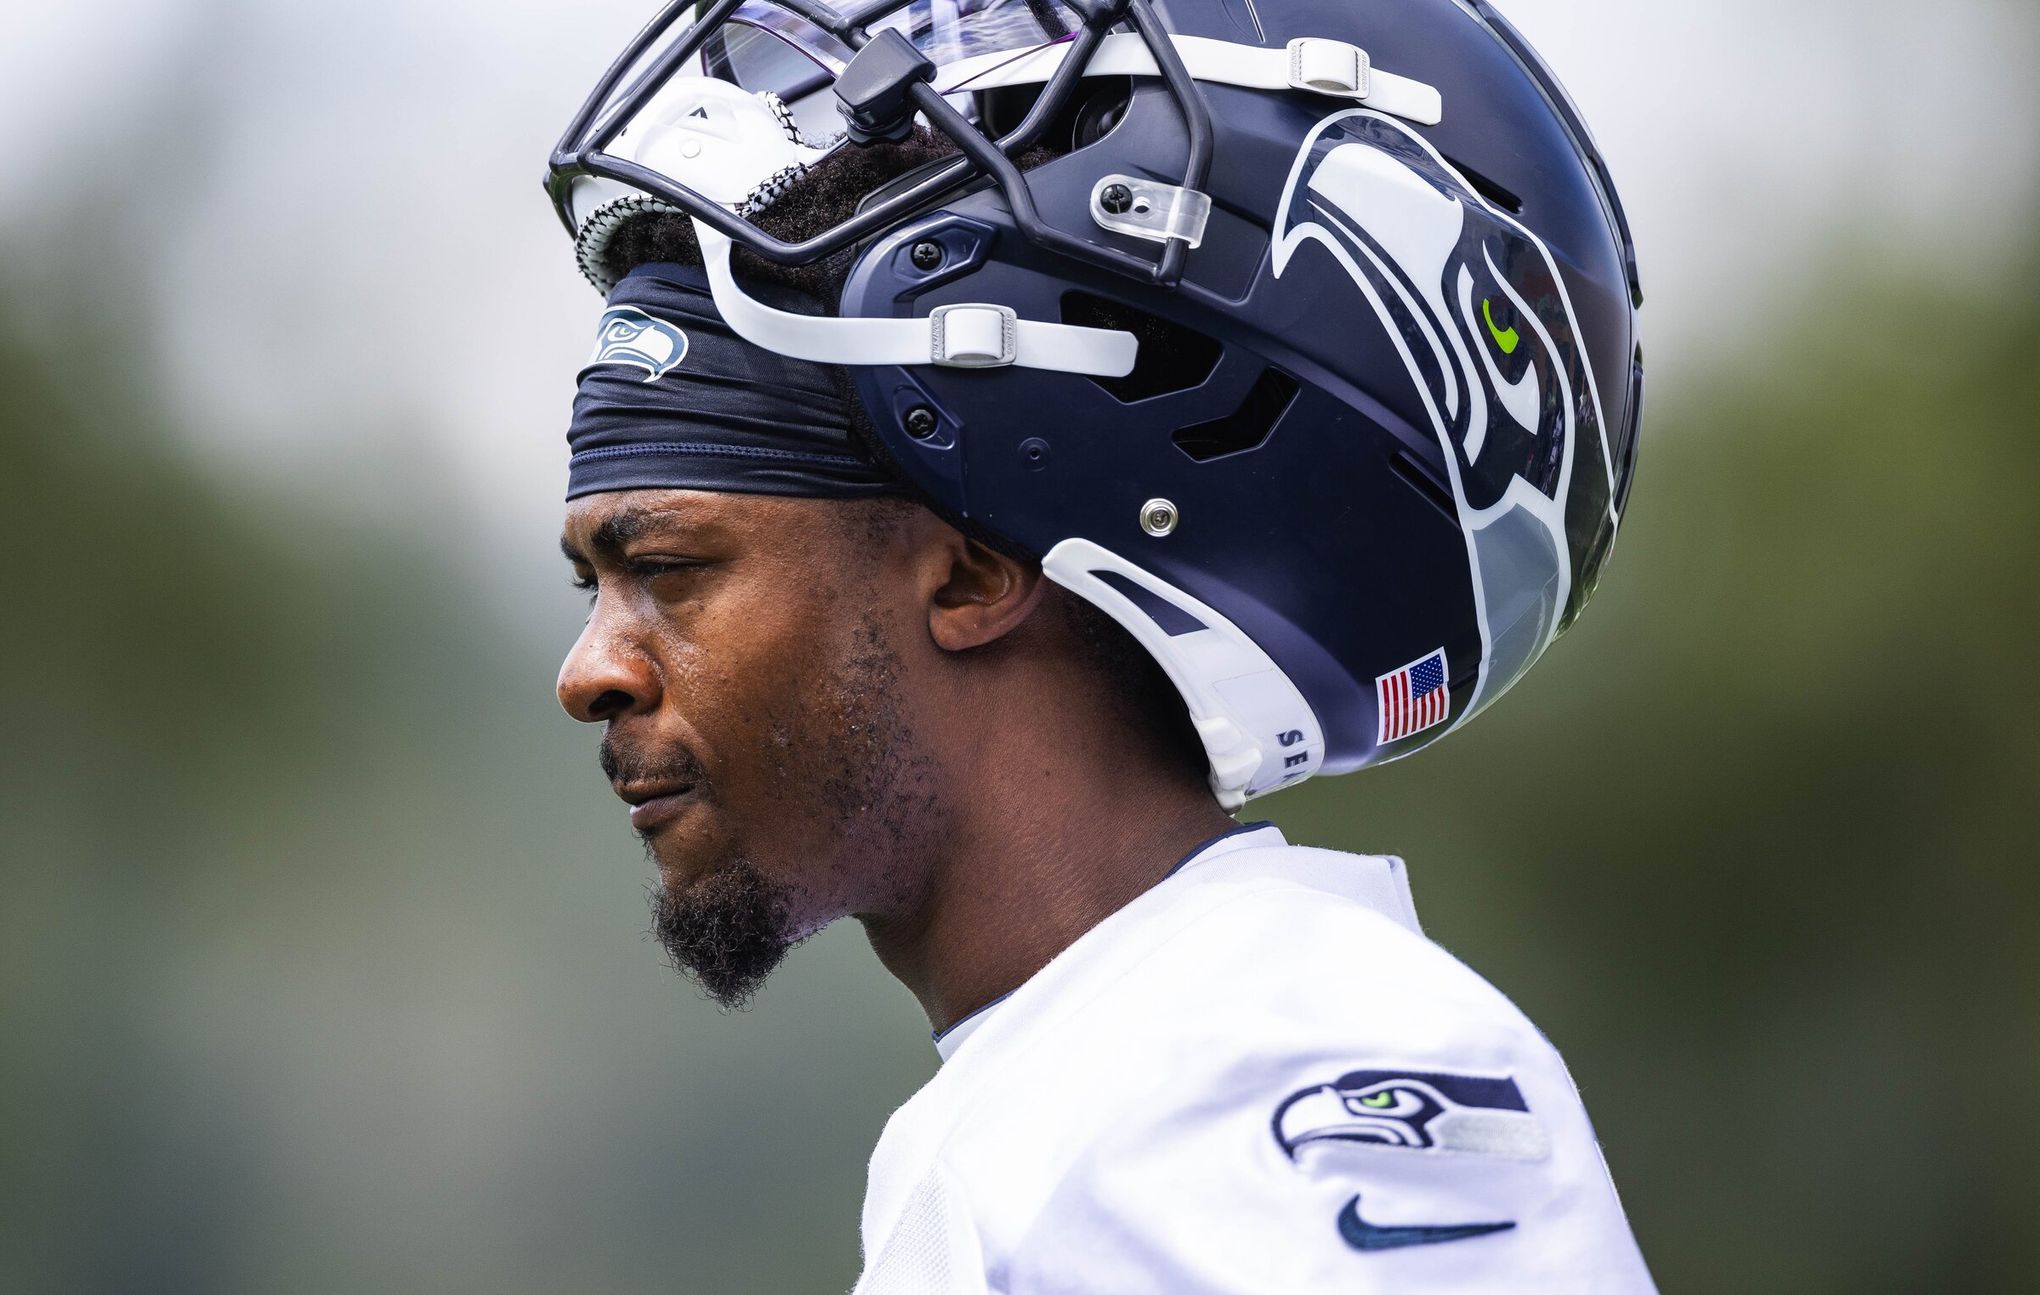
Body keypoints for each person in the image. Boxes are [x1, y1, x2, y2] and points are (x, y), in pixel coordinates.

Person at [547, 0, 1655, 1289]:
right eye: (592, 586)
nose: (591, 671)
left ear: (971, 572)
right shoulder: (1103, 1078)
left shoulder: (1261, 1074)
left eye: (667, 571)